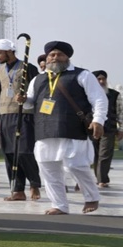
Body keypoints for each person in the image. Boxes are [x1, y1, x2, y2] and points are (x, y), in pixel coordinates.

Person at [18, 41, 106, 215]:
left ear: (67, 57)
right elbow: (30, 102)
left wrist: (98, 120)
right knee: (47, 167)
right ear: (47, 57)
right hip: (44, 129)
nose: (55, 58)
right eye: (52, 55)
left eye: (59, 54)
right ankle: (59, 205)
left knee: (76, 165)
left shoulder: (82, 75)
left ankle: (91, 197)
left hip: (71, 128)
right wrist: (23, 100)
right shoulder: (38, 79)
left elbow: (99, 99)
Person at [0, 38, 40, 201]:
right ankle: (18, 189)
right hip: (5, 115)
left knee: (25, 151)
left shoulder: (28, 68)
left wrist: (26, 97)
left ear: (9, 51)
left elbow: (38, 92)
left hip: (25, 114)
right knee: (10, 153)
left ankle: (34, 184)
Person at [90, 70, 121, 188]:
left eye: (103, 79)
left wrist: (121, 129)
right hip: (91, 128)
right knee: (94, 154)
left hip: (109, 128)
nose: (102, 81)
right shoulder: (87, 93)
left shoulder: (114, 94)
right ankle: (99, 177)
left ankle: (102, 179)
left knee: (105, 154)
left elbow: (120, 112)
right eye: (99, 79)